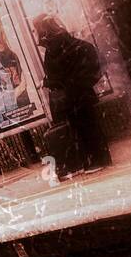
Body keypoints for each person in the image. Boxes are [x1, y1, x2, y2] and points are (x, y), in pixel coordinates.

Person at [33, 13, 108, 176]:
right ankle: (101, 159)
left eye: (35, 30)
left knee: (82, 129)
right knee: (90, 126)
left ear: (43, 30)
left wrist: (45, 82)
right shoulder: (65, 40)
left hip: (72, 97)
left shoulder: (53, 48)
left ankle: (95, 161)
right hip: (82, 92)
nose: (35, 33)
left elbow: (59, 76)